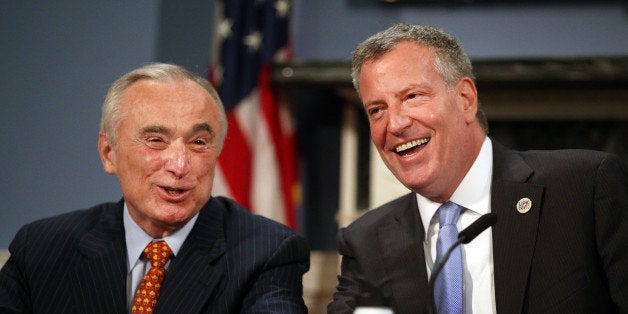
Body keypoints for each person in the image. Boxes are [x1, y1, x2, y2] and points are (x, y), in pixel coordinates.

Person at [328, 23, 628, 314]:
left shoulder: (584, 188)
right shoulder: (366, 241)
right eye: (377, 110)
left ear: (466, 100)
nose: (394, 124)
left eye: (412, 97)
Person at [0, 63, 310, 313]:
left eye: (198, 143)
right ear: (109, 153)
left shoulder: (266, 253)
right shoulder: (42, 248)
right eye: (155, 141)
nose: (179, 165)